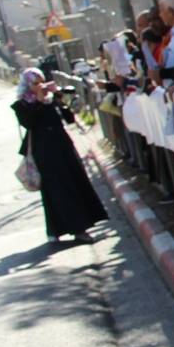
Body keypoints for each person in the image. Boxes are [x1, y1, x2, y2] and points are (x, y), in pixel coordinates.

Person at [12, 68, 107, 245]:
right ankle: (77, 229)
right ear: (27, 85)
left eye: (42, 82)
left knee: (75, 182)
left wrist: (58, 97)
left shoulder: (50, 99)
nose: (40, 86)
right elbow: (29, 123)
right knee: (58, 189)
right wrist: (39, 101)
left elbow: (69, 119)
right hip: (45, 152)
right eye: (35, 83)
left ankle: (74, 225)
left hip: (63, 147)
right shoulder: (22, 104)